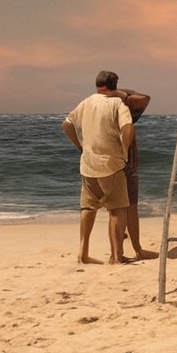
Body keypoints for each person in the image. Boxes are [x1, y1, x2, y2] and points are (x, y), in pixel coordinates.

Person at [62, 70, 135, 264]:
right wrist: (125, 149)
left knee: (88, 208)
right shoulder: (117, 103)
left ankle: (83, 254)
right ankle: (116, 256)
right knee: (117, 210)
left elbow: (67, 124)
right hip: (110, 164)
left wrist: (80, 145)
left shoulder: (86, 102)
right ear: (115, 86)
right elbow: (127, 127)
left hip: (88, 164)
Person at [117, 81, 157, 260]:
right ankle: (135, 250)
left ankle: (124, 250)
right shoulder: (122, 117)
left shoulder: (113, 115)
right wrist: (119, 95)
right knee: (129, 208)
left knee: (121, 209)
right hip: (123, 167)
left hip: (120, 166)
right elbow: (144, 98)